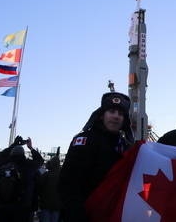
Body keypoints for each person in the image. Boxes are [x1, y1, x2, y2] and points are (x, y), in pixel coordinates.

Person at [57, 92, 135, 222]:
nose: (116, 116)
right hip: (87, 214)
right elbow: (67, 183)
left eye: (121, 114)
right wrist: (79, 217)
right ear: (101, 115)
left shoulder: (124, 146)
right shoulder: (86, 140)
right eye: (112, 111)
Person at [0, 136, 43, 222]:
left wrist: (14, 144)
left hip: (2, 205)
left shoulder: (3, 164)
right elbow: (40, 160)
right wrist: (31, 148)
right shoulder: (28, 165)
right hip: (22, 205)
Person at [38, 156, 62, 222]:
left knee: (45, 219)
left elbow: (39, 187)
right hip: (58, 204)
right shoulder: (62, 175)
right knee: (55, 219)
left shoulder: (46, 175)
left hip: (45, 203)